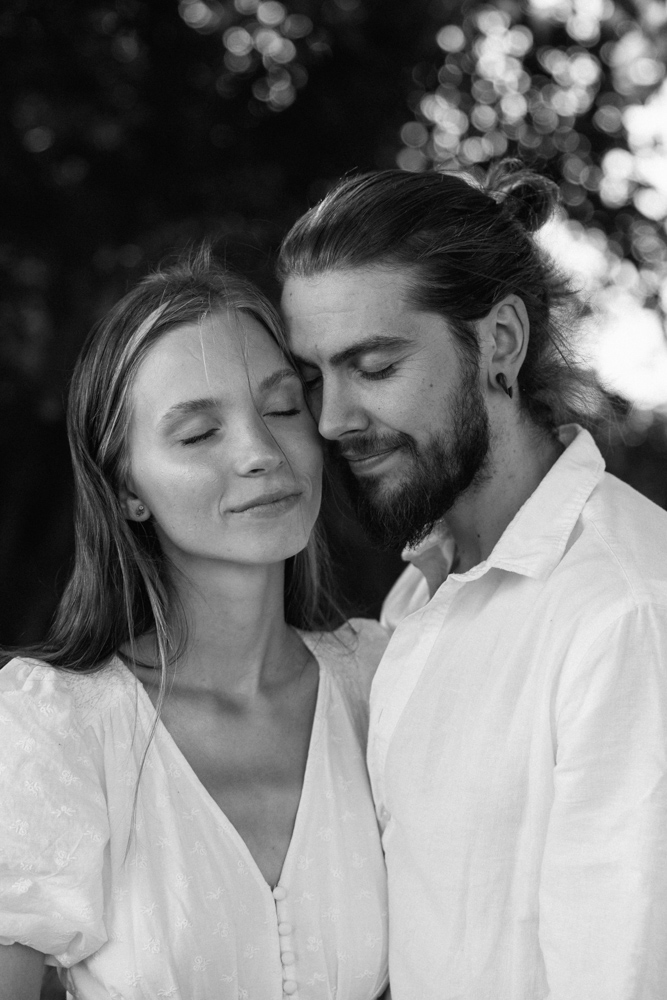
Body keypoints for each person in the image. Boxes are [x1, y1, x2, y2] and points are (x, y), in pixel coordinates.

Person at [277, 161, 667, 1000]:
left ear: (499, 343)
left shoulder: (624, 613)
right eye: (313, 379)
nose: (332, 420)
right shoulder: (421, 588)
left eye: (372, 367)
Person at [0, 249, 389, 1000]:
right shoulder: (52, 730)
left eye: (283, 409)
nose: (261, 453)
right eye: (199, 432)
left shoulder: (383, 681)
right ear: (127, 489)